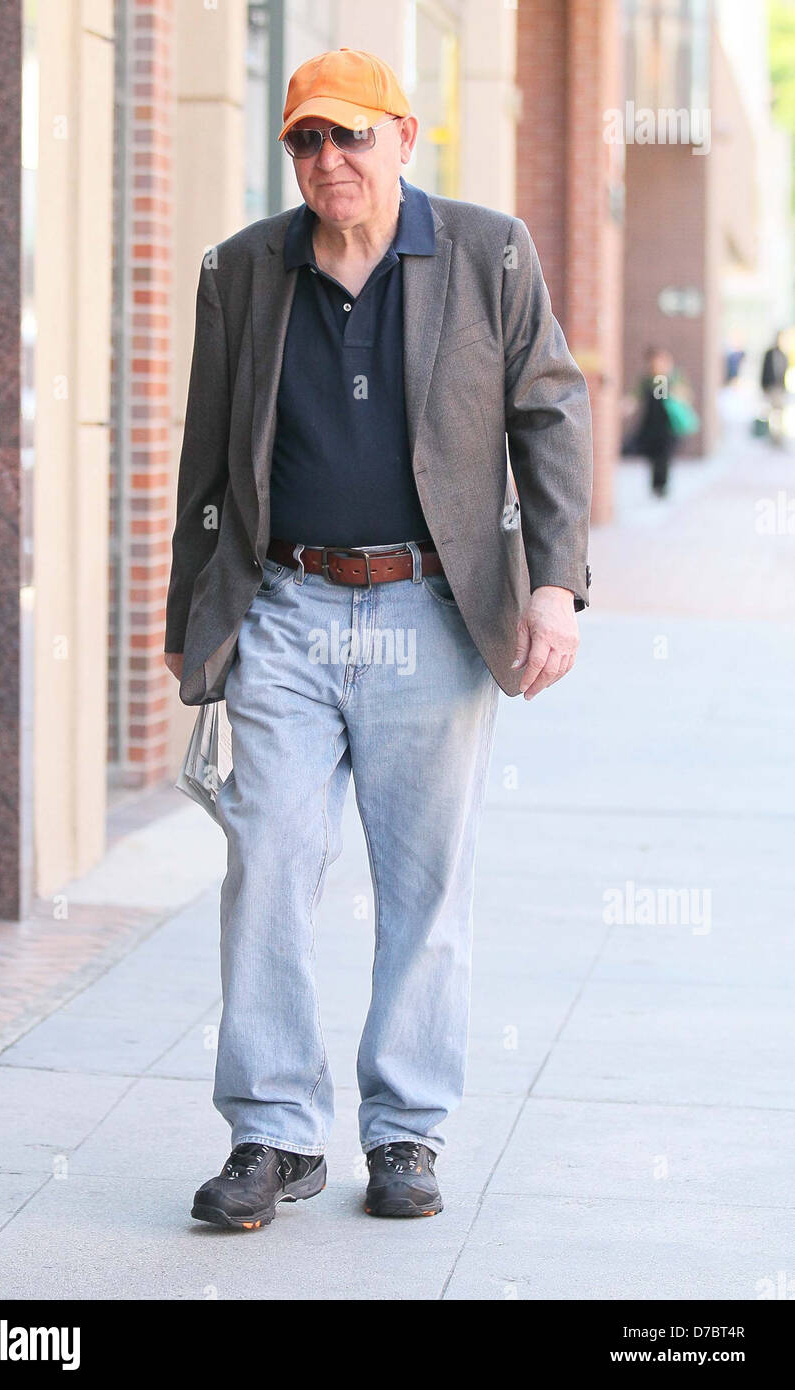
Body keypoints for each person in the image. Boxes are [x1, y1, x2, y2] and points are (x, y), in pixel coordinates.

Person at [164, 47, 593, 1230]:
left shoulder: (487, 251)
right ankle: (270, 1131)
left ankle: (404, 1132)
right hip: (286, 612)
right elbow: (207, 454)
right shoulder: (245, 269)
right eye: (307, 138)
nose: (328, 159)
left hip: (433, 613)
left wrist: (555, 585)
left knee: (424, 887)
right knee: (265, 866)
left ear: (403, 136)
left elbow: (547, 415)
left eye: (350, 135)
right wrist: (187, 617)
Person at [629, 347, 681, 498]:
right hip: (651, 423)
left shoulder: (670, 378)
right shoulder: (647, 380)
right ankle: (655, 485)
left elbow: (683, 394)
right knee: (653, 456)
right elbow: (636, 396)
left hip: (667, 424)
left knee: (664, 456)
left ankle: (662, 486)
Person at [760, 331, 789, 445]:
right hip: (770, 387)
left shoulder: (783, 354)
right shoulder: (769, 354)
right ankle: (772, 437)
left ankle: (779, 438)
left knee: (779, 413)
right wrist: (764, 387)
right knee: (771, 414)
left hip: (779, 388)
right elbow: (764, 371)